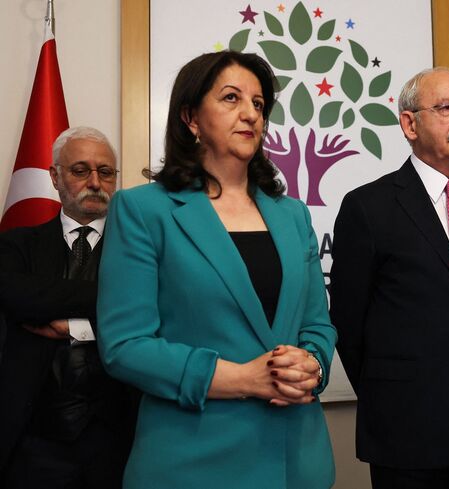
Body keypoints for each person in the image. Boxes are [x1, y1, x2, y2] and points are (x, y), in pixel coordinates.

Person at [96, 51, 336, 488]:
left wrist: (313, 366)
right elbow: (125, 346)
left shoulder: (293, 215)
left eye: (258, 104)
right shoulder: (142, 210)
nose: (251, 114)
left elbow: (317, 324)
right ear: (190, 118)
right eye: (231, 98)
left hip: (297, 460)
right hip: (193, 461)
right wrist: (244, 378)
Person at [329, 67, 449, 489]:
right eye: (448, 108)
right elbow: (347, 323)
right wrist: (392, 392)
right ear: (410, 124)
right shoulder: (368, 206)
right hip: (406, 426)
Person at [0, 127, 136, 488]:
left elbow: (158, 313)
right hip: (34, 440)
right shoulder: (18, 244)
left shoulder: (141, 250)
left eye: (105, 172)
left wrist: (75, 328)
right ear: (55, 177)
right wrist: (117, 297)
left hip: (119, 438)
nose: (95, 182)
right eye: (80, 170)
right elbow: (18, 297)